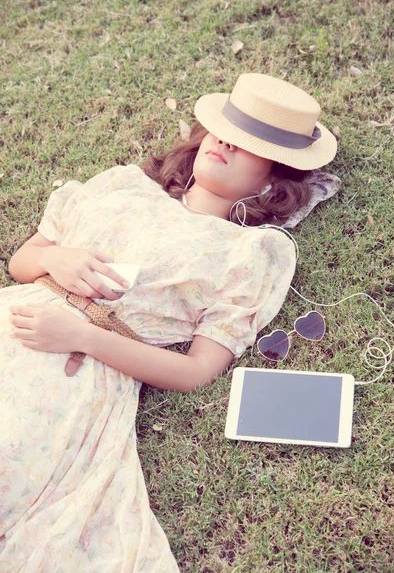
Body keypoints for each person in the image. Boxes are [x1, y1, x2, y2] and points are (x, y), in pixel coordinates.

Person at [1, 73, 337, 571]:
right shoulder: (123, 185)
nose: (223, 141)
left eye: (247, 145)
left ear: (272, 179)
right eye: (225, 130)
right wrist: (60, 259)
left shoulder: (249, 252)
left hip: (75, 370)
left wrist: (83, 336)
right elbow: (22, 261)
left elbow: (199, 370)